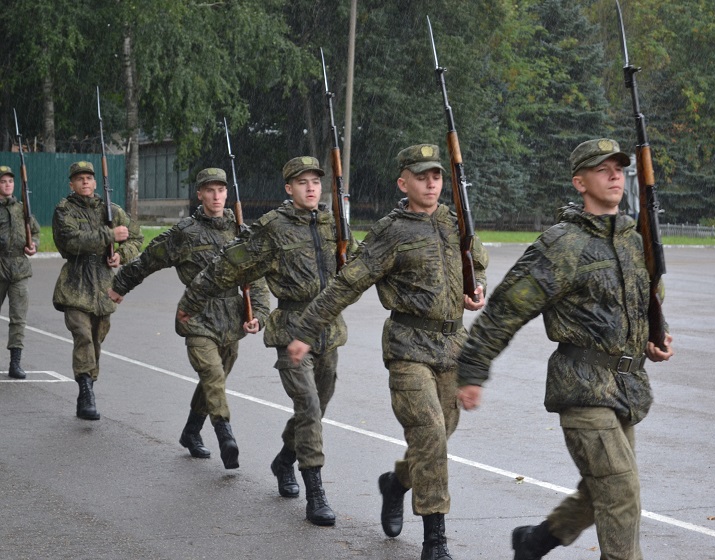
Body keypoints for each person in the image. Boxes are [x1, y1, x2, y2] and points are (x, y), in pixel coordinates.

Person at [456, 138, 674, 560]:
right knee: (621, 492)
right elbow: (505, 310)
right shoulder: (562, 244)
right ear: (579, 182)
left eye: (618, 168)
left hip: (627, 387)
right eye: (602, 169)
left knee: (600, 491)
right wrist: (473, 371)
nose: (614, 176)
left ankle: (534, 541)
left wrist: (656, 335)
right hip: (582, 388)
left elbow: (647, 301)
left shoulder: (634, 239)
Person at [287, 144, 488, 559]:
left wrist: (476, 286)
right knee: (429, 432)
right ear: (403, 183)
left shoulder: (454, 222)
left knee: (439, 437)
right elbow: (348, 283)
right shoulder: (390, 232)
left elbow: (477, 260)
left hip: (454, 346)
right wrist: (307, 328)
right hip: (408, 348)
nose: (431, 183)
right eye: (421, 177)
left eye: (436, 176)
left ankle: (396, 484)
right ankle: (435, 541)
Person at [178, 157, 356, 524]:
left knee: (317, 408)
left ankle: (284, 461)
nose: (311, 187)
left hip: (329, 330)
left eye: (315, 181)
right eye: (302, 182)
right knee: (308, 406)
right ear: (288, 188)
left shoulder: (334, 224)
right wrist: (191, 301)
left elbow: (363, 267)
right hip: (291, 328)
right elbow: (231, 265)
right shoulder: (272, 227)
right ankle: (315, 492)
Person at [109, 167, 270, 469]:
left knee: (214, 380)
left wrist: (259, 314)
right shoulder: (185, 232)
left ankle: (191, 431)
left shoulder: (241, 232)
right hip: (195, 315)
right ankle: (225, 435)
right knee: (213, 375)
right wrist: (121, 285)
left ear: (227, 193)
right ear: (199, 194)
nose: (216, 196)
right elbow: (149, 259)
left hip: (231, 319)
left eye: (221, 190)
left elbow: (256, 278)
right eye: (209, 190)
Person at [52, 160, 143, 420]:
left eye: (89, 178)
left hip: (103, 286)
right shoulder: (64, 210)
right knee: (82, 335)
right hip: (75, 285)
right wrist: (109, 236)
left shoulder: (110, 210)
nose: (85, 182)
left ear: (95, 182)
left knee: (96, 339)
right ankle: (86, 393)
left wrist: (122, 254)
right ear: (71, 184)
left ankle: (88, 385)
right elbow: (71, 242)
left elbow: (136, 236)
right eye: (79, 178)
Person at [0, 165, 40, 379]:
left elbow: (35, 232)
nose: (7, 185)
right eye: (2, 181)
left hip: (19, 270)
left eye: (10, 181)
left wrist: (33, 245)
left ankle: (15, 363)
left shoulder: (22, 209)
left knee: (18, 318)